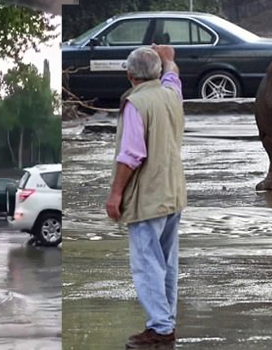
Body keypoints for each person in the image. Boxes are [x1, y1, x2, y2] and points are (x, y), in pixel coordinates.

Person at [105, 44, 187, 348]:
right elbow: (173, 78)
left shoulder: (135, 104)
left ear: (129, 75)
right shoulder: (171, 94)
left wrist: (115, 194)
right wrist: (168, 61)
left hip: (148, 197)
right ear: (157, 73)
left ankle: (161, 328)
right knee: (166, 262)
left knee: (147, 263)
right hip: (173, 193)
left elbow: (130, 156)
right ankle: (165, 322)